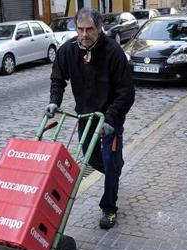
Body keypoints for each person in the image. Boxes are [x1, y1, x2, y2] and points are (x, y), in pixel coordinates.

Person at [45, 8, 135, 229]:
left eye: (89, 30)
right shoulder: (68, 51)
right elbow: (58, 78)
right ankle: (114, 166)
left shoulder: (112, 52)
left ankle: (109, 209)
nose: (84, 35)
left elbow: (126, 92)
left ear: (99, 27)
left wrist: (111, 119)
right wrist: (54, 101)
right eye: (80, 29)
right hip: (86, 117)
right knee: (92, 160)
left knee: (110, 164)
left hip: (109, 119)